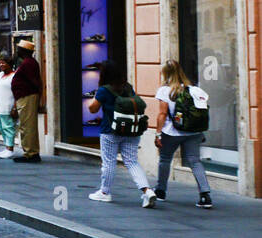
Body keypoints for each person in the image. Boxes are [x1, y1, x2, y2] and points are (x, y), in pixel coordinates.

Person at [88, 59, 157, 207]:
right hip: (131, 130)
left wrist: (94, 97)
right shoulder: (128, 87)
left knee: (108, 162)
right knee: (132, 161)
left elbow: (92, 109)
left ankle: (105, 192)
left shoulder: (104, 90)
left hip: (110, 131)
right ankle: (147, 191)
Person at [153, 60, 213, 209]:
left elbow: (162, 113)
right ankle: (205, 195)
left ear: (165, 73)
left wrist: (158, 134)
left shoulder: (164, 91)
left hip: (171, 132)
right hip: (193, 132)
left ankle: (160, 191)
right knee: (195, 161)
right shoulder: (193, 89)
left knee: (165, 159)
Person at [11, 39, 43, 163]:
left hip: (28, 96)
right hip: (25, 96)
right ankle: (30, 151)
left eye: (19, 48)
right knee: (26, 125)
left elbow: (35, 81)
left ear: (23, 51)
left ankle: (31, 153)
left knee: (27, 125)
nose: (17, 50)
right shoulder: (28, 62)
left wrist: (39, 97)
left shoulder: (28, 63)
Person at [0, 53, 18, 159]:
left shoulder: (14, 76)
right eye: (0, 63)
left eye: (4, 63)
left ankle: (10, 149)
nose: (1, 65)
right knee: (2, 128)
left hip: (8, 105)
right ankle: (6, 148)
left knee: (8, 127)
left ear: (9, 64)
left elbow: (17, 92)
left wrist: (15, 107)